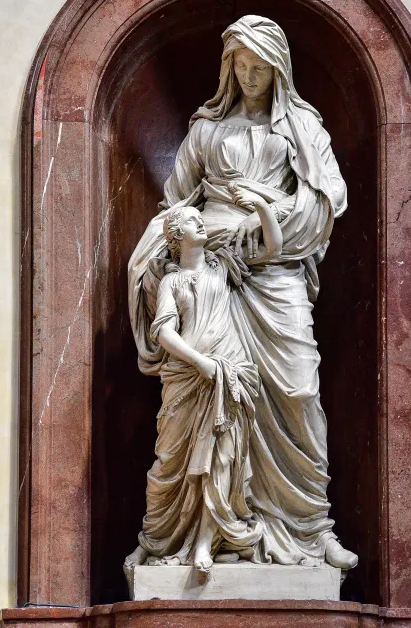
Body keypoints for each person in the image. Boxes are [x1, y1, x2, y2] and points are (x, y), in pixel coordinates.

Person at [128, 14, 357, 570]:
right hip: (210, 274)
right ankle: (206, 530)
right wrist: (193, 243)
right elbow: (177, 203)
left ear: (279, 69)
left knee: (298, 390)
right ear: (228, 67)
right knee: (212, 401)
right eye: (241, 65)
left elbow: (327, 199)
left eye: (260, 67)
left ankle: (310, 528)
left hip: (276, 271)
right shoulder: (206, 130)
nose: (250, 77)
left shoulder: (301, 127)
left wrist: (268, 215)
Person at [125, 191, 282, 575]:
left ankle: (204, 541)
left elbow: (273, 249)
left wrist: (261, 206)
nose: (201, 222)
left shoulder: (221, 266)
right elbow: (164, 332)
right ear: (177, 237)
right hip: (188, 378)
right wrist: (201, 363)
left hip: (230, 375)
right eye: (193, 221)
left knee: (222, 460)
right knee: (169, 464)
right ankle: (155, 538)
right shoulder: (172, 282)